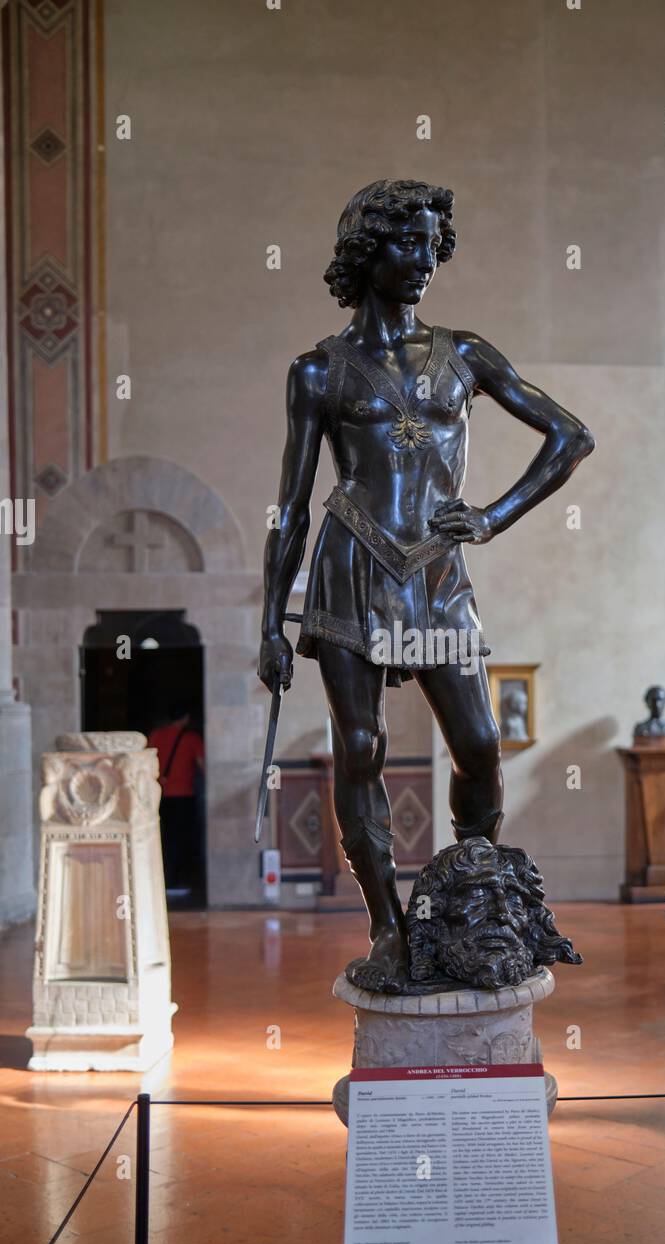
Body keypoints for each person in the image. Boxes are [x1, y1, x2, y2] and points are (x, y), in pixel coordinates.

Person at [258, 178, 594, 992]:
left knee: (477, 743)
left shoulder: (464, 354)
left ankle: (471, 891)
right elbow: (290, 507)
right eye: (405, 243)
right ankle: (386, 926)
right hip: (350, 565)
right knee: (362, 747)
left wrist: (491, 516)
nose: (422, 261)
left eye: (431, 245)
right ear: (365, 252)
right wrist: (271, 620)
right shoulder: (318, 371)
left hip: (436, 574)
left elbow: (569, 436)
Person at [149, 701, 205, 893]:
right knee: (181, 839)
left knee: (164, 838)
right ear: (186, 718)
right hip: (183, 795)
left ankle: (163, 880)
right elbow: (203, 766)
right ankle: (176, 881)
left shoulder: (156, 735)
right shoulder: (192, 738)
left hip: (160, 796)